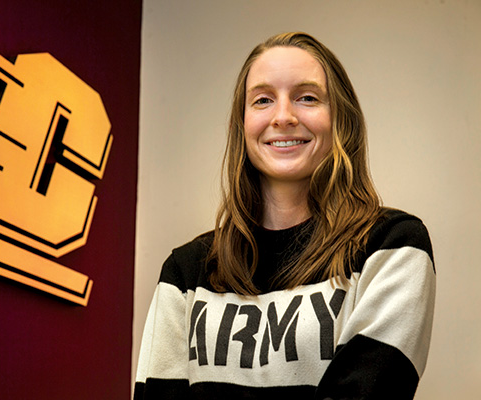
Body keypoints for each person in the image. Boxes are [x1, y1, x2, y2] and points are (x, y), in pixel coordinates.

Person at [134, 32, 435, 400]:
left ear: (340, 118)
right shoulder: (185, 272)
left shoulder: (393, 246)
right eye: (262, 100)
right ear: (241, 126)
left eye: (306, 98)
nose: (283, 117)